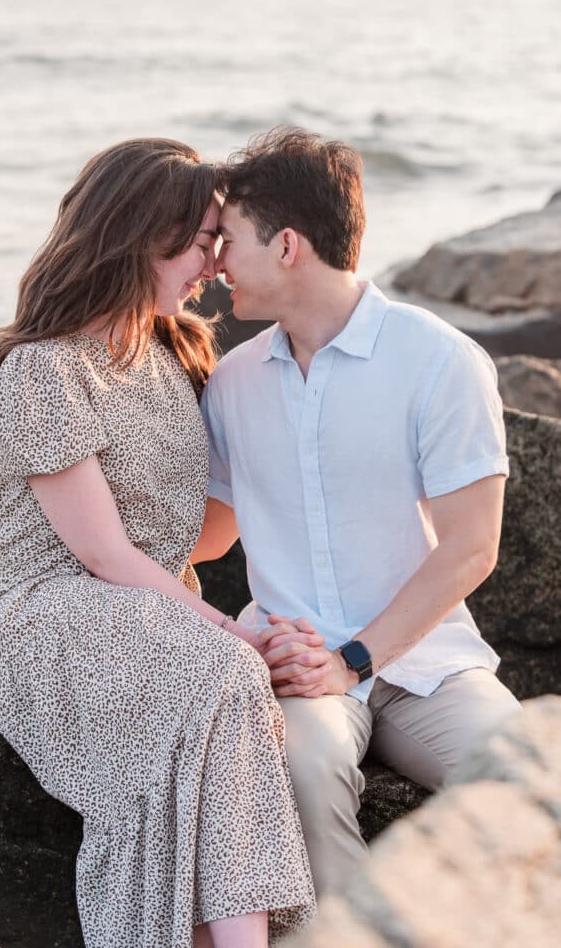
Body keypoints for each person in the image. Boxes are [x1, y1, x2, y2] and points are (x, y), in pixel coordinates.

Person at [0, 137, 316, 948]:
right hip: (40, 609)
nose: (216, 264)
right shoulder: (44, 371)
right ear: (138, 237)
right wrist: (239, 634)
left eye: (221, 241)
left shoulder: (176, 353)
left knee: (225, 690)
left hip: (148, 610)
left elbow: (203, 535)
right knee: (226, 671)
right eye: (202, 242)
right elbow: (105, 555)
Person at [197, 127, 522, 897]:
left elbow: (473, 549)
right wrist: (70, 537)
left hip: (429, 664)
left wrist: (354, 660)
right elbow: (209, 535)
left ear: (286, 247)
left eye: (228, 241)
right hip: (297, 665)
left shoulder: (438, 359)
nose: (214, 266)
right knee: (299, 771)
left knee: (525, 779)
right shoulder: (234, 382)